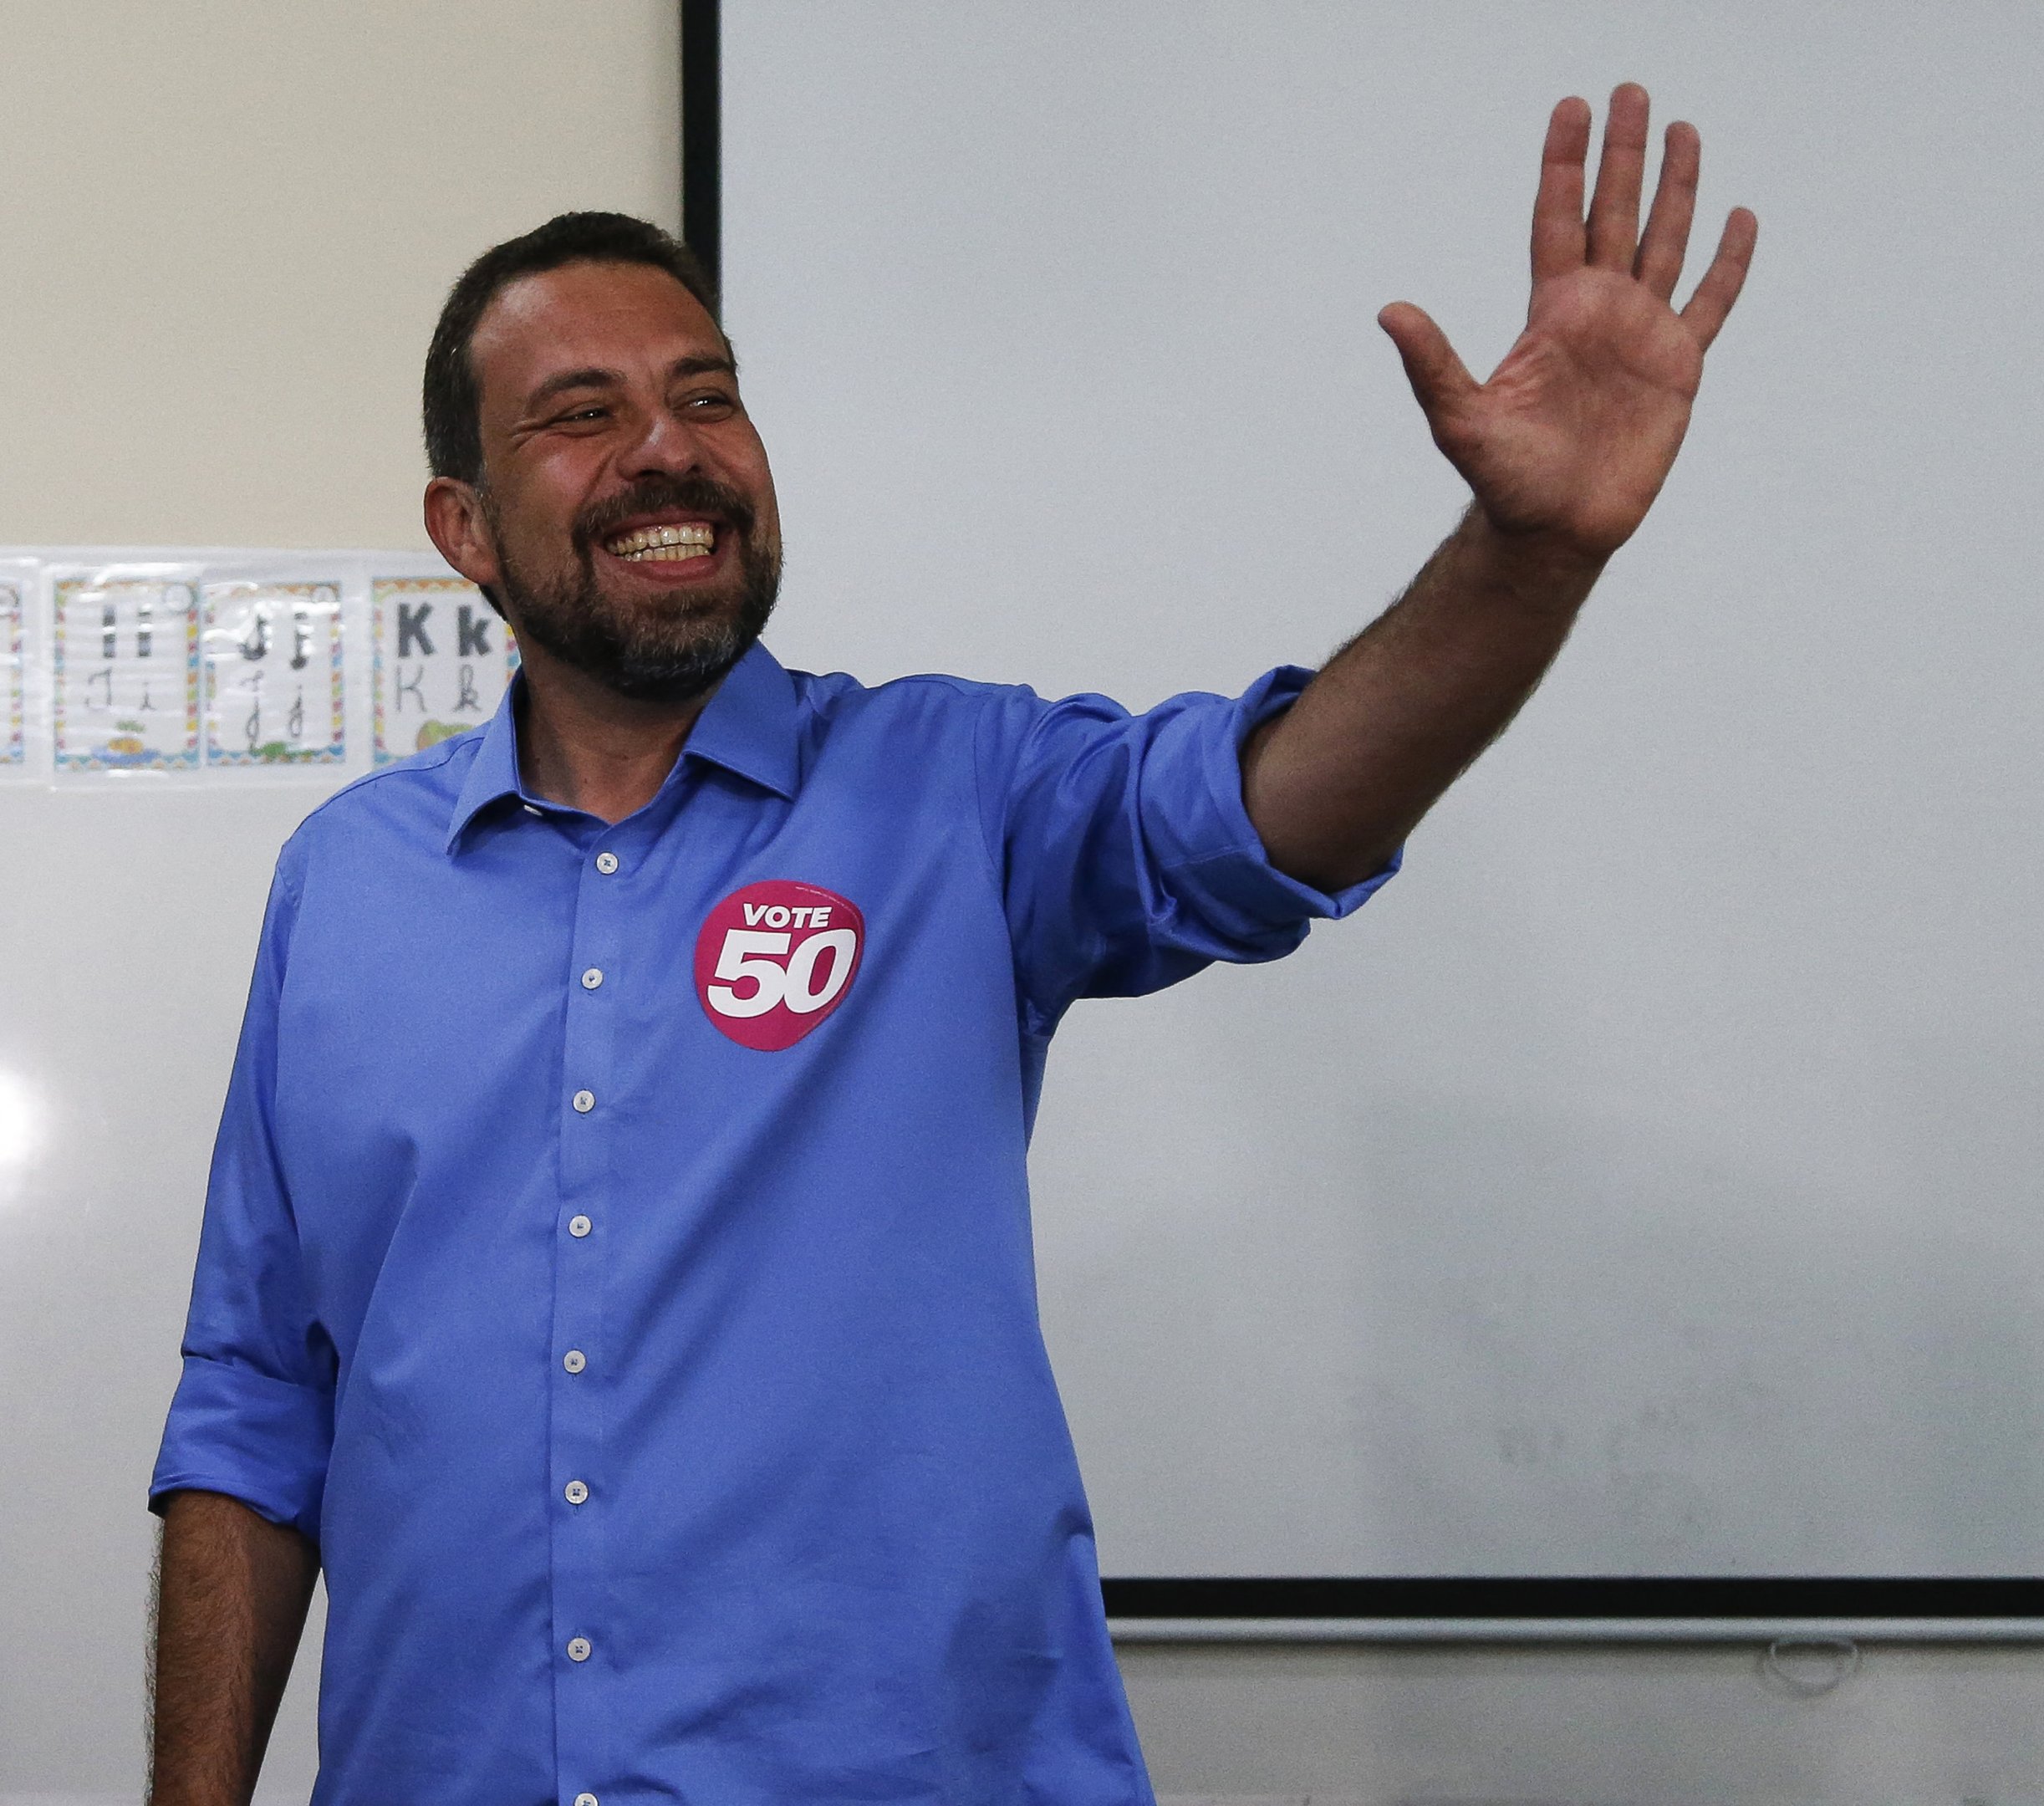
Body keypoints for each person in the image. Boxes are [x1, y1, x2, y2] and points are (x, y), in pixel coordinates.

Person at [145, 84, 1752, 1806]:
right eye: (580, 415)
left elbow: (1273, 813)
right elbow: (255, 1403)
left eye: (709, 397)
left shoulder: (955, 792)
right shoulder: (348, 883)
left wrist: (1528, 556)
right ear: (463, 528)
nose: (669, 449)